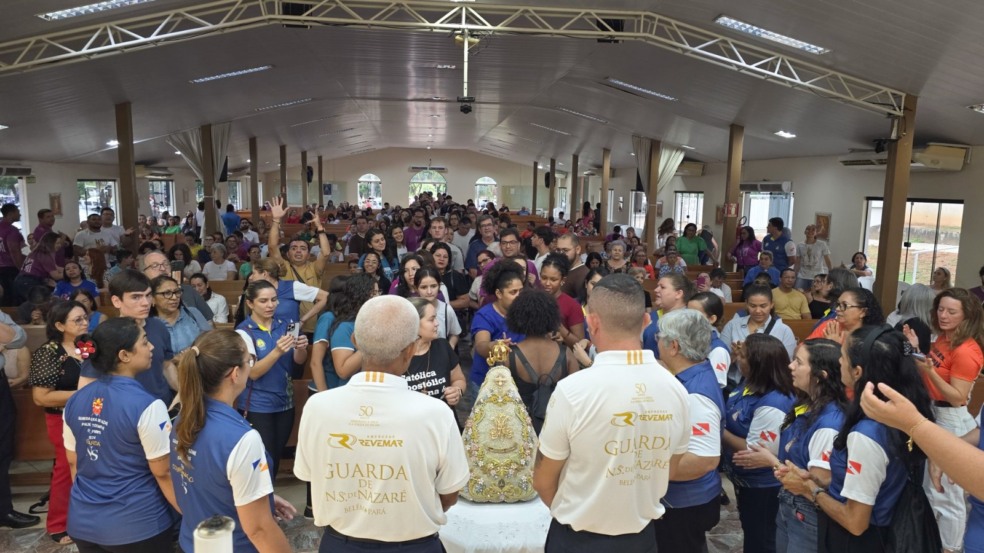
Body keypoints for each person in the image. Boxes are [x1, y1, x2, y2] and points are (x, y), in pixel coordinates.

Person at [295, 295, 469, 552]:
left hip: (340, 543)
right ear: (410, 349)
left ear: (355, 341)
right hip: (414, 545)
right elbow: (449, 493)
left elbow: (309, 475)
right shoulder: (436, 412)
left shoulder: (317, 407)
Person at [533, 274, 691, 552]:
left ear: (592, 323)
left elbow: (543, 479)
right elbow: (670, 468)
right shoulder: (676, 389)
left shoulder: (572, 390)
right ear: (646, 321)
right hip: (641, 538)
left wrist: (578, 510)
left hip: (578, 539)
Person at [779, 325, 934, 549]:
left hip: (860, 541)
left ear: (857, 372)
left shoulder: (867, 434)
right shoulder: (901, 414)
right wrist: (817, 479)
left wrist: (810, 490)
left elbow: (855, 522)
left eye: (842, 356)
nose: (838, 362)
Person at [170, 330, 294, 553]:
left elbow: (204, 480)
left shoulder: (183, 418)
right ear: (235, 373)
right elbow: (259, 530)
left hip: (192, 542)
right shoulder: (241, 439)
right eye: (249, 360)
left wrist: (260, 497)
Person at [62, 317, 179, 552]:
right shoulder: (147, 406)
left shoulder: (75, 400)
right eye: (144, 342)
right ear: (124, 355)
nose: (151, 347)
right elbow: (163, 471)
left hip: (83, 521)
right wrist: (188, 512)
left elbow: (74, 463)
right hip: (137, 524)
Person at [730, 339, 847, 553]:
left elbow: (814, 485)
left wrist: (771, 461)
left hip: (807, 514)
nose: (790, 366)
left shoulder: (828, 425)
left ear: (820, 376)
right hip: (789, 504)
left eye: (798, 362)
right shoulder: (805, 405)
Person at [903, 288, 983, 552]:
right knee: (934, 491)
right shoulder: (944, 339)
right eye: (941, 309)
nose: (944, 315)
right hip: (936, 414)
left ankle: (951, 548)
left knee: (949, 497)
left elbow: (959, 397)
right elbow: (931, 368)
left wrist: (930, 372)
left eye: (951, 311)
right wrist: (916, 350)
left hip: (952, 419)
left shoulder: (966, 350)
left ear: (967, 316)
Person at [860, 383, 984, 553]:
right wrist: (943, 450)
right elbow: (981, 431)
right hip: (977, 526)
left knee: (950, 505)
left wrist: (915, 425)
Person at [649, 308, 724, 551]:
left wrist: (647, 472)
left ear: (674, 346)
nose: (656, 342)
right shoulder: (692, 375)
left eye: (659, 337)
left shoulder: (695, 395)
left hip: (685, 502)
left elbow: (704, 460)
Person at [724, 333, 797, 553]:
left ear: (758, 364)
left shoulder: (774, 403)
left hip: (764, 486)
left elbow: (754, 450)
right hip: (745, 480)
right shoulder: (749, 383)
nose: (737, 359)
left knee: (762, 539)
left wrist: (717, 430)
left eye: (743, 356)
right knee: (751, 531)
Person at [235, 279, 309, 479]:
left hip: (285, 402)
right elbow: (253, 372)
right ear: (250, 303)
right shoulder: (244, 332)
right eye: (263, 301)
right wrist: (277, 351)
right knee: (262, 460)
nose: (270, 305)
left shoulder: (287, 325)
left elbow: (298, 362)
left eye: (274, 300)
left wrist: (301, 348)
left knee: (275, 455)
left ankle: (271, 495)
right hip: (257, 405)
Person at [26, 301, 86, 544]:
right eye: (77, 320)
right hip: (61, 417)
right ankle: (58, 523)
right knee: (65, 466)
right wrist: (84, 393)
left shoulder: (86, 345)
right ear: (60, 325)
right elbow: (40, 397)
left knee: (88, 466)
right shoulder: (49, 352)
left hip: (89, 414)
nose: (84, 323)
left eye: (85, 318)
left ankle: (85, 517)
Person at [504, 289, 579, 433]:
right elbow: (576, 397)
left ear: (518, 317)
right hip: (557, 428)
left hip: (521, 430)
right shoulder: (566, 354)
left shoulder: (509, 356)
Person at [470, 262, 526, 396]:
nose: (519, 296)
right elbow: (481, 346)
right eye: (513, 292)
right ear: (499, 293)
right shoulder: (485, 315)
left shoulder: (526, 312)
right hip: (487, 383)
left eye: (521, 291)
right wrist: (495, 346)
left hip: (517, 381)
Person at [406, 297, 466, 410]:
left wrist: (457, 391)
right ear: (414, 324)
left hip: (444, 418)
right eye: (431, 319)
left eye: (436, 318)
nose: (437, 323)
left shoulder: (443, 346)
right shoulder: (397, 356)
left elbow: (458, 379)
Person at [249, 258, 328, 330]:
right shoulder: (255, 292)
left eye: (253, 273)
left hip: (290, 336)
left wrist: (302, 320)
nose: (251, 277)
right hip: (264, 337)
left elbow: (325, 296)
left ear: (264, 274)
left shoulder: (292, 287)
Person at [721, 284, 798, 359]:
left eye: (763, 306)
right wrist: (734, 355)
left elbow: (788, 362)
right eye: (753, 306)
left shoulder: (784, 331)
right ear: (746, 304)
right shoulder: (732, 325)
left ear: (771, 304)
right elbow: (721, 359)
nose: (758, 311)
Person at [140, 250, 214, 321]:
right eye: (155, 265)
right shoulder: (141, 297)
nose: (163, 268)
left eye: (166, 264)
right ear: (143, 273)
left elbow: (209, 321)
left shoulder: (188, 290)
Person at [150, 275, 212, 353]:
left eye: (177, 292)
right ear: (152, 298)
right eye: (167, 293)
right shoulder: (147, 323)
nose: (174, 297)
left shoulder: (192, 313)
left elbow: (211, 341)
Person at [806, 288, 885, 344]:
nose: (837, 309)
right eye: (838, 304)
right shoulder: (830, 325)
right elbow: (803, 350)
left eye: (844, 305)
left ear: (863, 312)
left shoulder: (872, 338)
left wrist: (834, 346)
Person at [538, 253, 585, 347]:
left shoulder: (572, 306)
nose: (547, 283)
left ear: (563, 280)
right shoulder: (532, 300)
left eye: (553, 280)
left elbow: (581, 344)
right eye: (544, 278)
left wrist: (562, 330)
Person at [687, 291, 732, 387]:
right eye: (687, 313)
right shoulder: (689, 341)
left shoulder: (718, 351)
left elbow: (712, 387)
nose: (687, 318)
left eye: (694, 315)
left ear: (711, 319)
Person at [14, 232, 64, 302]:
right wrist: (69, 273)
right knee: (38, 302)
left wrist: (68, 268)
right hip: (29, 282)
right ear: (50, 243)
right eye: (57, 243)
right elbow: (56, 275)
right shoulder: (45, 254)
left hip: (20, 279)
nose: (60, 245)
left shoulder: (37, 252)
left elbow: (55, 267)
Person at [796, 225, 832, 290]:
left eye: (813, 230)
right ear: (805, 232)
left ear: (816, 233)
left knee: (815, 294)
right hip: (802, 276)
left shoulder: (822, 244)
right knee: (798, 293)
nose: (810, 231)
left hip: (817, 276)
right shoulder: (799, 245)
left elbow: (828, 260)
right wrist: (794, 274)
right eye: (808, 229)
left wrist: (831, 273)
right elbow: (797, 262)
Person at [555, 233, 588, 298]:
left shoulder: (584, 275)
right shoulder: (561, 270)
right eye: (558, 250)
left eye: (565, 250)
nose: (561, 254)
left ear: (577, 249)